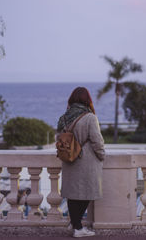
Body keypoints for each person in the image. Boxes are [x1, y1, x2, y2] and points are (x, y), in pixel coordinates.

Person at [57, 87, 105, 238]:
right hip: (86, 161)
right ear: (87, 100)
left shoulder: (64, 117)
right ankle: (78, 228)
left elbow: (59, 138)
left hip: (69, 159)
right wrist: (102, 155)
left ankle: (76, 224)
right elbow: (97, 141)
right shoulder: (90, 117)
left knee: (73, 195)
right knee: (88, 192)